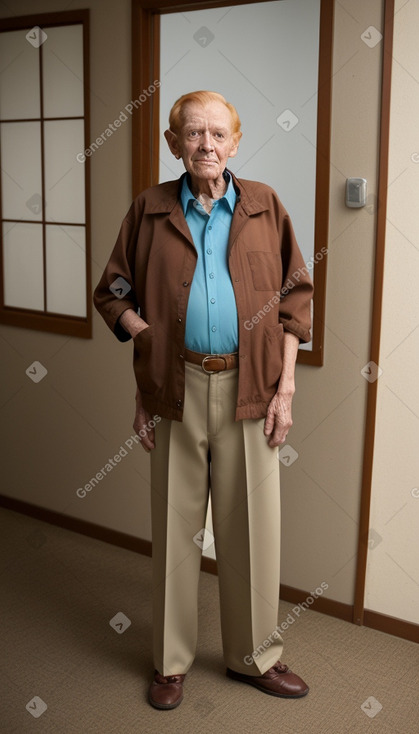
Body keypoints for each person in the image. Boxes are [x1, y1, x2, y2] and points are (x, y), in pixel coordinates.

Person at [94, 90, 314, 710]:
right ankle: (169, 662)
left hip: (253, 390)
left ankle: (254, 659)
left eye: (218, 134)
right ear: (173, 144)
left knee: (253, 534)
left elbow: (297, 299)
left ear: (236, 143)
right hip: (176, 389)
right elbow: (112, 291)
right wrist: (149, 344)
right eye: (193, 134)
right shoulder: (149, 209)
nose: (206, 145)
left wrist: (286, 387)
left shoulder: (266, 206)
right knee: (176, 533)